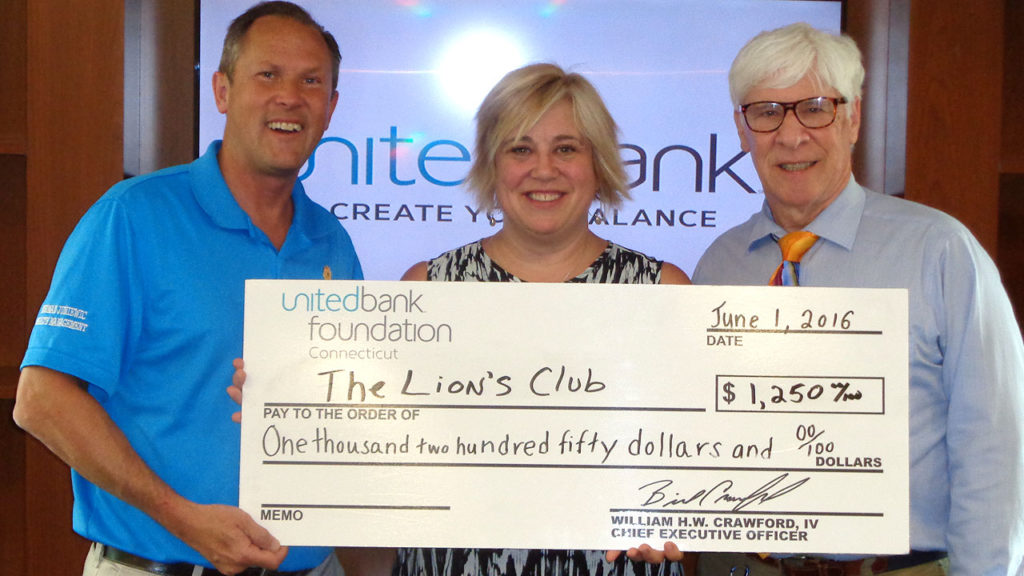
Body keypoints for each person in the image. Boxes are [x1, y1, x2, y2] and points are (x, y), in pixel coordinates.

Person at [12, 2, 362, 576]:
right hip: (158, 565)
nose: (289, 98)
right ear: (222, 90)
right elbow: (41, 400)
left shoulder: (330, 241)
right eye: (267, 75)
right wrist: (184, 518)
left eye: (312, 81)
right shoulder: (134, 216)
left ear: (330, 109)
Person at [685, 22, 1024, 575]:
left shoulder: (940, 252)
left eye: (815, 107)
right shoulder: (719, 265)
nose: (791, 136)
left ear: (854, 118)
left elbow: (995, 447)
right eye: (767, 112)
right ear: (741, 130)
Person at [395, 62, 692, 576]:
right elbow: (381, 447)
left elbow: (697, 458)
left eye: (567, 148)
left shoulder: (664, 292)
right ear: (491, 165)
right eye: (520, 148)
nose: (543, 169)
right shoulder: (428, 289)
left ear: (598, 164)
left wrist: (683, 515)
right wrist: (292, 399)